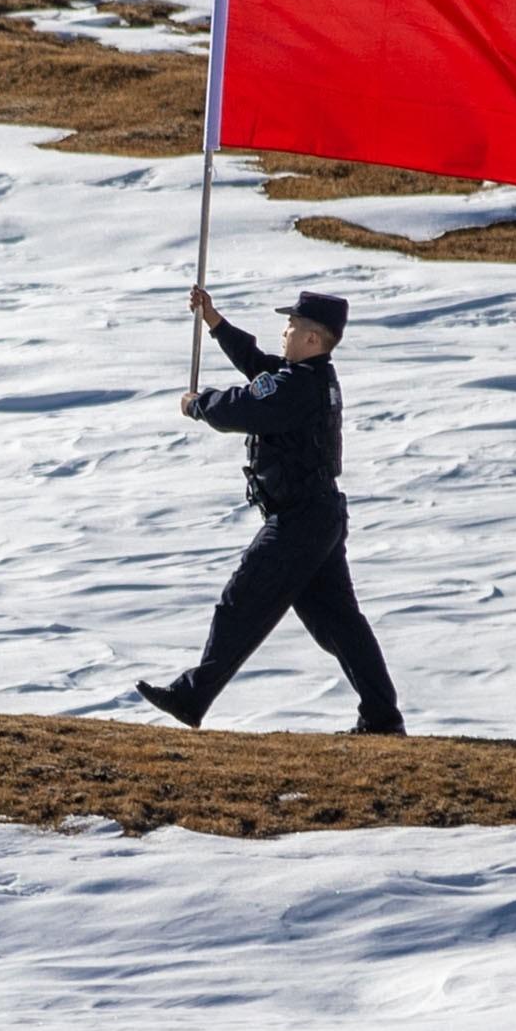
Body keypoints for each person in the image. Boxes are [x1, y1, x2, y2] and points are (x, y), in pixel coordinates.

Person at [140, 285, 403, 735]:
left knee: (242, 601)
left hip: (301, 519)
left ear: (313, 340)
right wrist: (215, 322)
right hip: (316, 515)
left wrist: (197, 406)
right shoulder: (303, 379)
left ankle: (192, 696)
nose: (284, 332)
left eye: (293, 326)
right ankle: (382, 716)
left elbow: (245, 406)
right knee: (339, 624)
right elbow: (258, 366)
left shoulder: (299, 388)